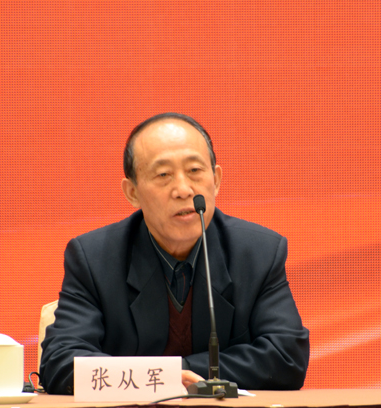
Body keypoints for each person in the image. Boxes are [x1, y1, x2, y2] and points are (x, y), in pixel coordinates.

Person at [40, 113, 309, 394]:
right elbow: (60, 362)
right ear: (132, 192)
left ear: (216, 180)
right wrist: (166, 377)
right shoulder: (94, 258)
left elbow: (286, 357)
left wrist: (180, 372)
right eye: (163, 175)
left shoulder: (258, 253)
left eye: (194, 170)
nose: (183, 190)